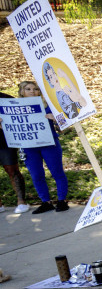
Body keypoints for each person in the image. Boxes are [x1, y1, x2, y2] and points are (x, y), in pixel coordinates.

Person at [16, 82, 68, 213]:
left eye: (35, 89)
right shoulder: (14, 109)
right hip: (29, 147)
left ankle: (62, 200)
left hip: (49, 144)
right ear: (22, 92)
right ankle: (46, 202)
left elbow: (63, 127)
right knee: (36, 175)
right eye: (28, 89)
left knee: (57, 172)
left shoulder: (47, 106)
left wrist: (55, 119)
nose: (32, 91)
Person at [0, 89, 31, 214]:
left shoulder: (6, 99)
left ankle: (21, 202)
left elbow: (19, 117)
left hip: (5, 142)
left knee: (12, 171)